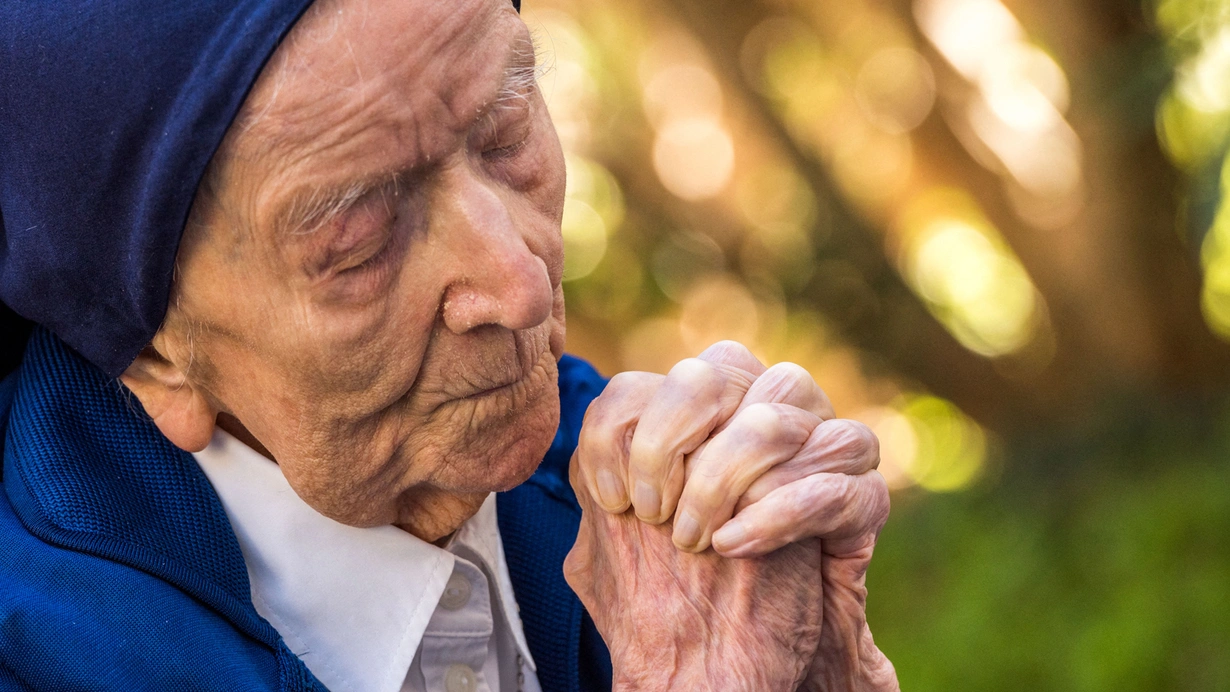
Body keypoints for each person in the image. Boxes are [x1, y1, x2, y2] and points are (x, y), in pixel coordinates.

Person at [0, 0, 899, 690]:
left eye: (505, 136)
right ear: (157, 356)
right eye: (357, 237)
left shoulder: (637, 502)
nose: (519, 283)